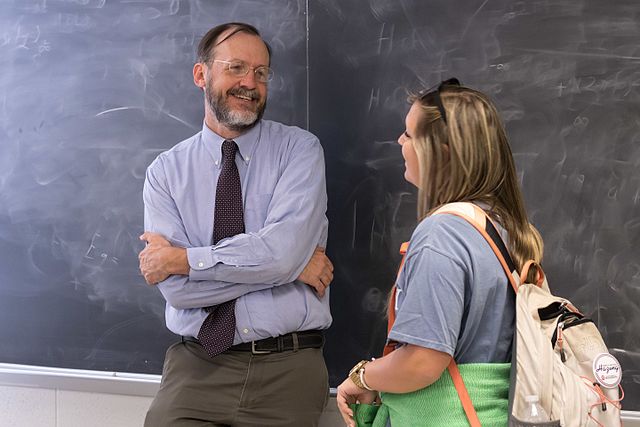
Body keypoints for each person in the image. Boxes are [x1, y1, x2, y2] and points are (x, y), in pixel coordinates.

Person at [139, 22, 334, 427]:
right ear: (201, 75)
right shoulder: (165, 172)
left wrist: (183, 259)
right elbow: (176, 290)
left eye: (261, 73)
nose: (250, 83)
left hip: (289, 366)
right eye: (236, 68)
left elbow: (278, 256)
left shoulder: (299, 151)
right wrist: (291, 268)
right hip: (198, 365)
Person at [336, 79, 544, 426]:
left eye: (408, 134)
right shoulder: (502, 228)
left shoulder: (442, 235)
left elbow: (422, 361)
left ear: (441, 151)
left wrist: (363, 376)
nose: (400, 143)